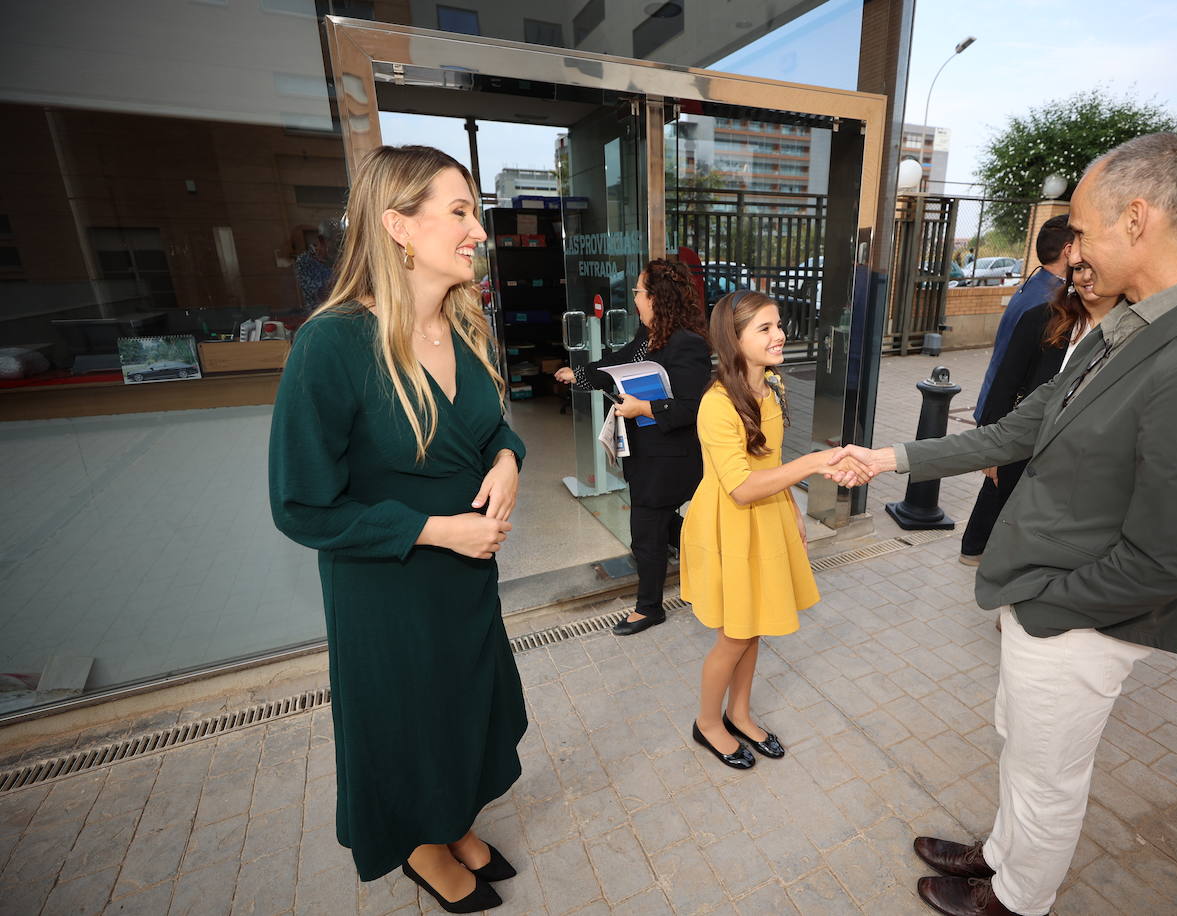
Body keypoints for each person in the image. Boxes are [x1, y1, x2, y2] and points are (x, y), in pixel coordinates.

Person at [827, 133, 1177, 916]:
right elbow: (1018, 429)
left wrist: (1044, 611)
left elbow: (1166, 560)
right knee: (1023, 755)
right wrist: (889, 455)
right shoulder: (1133, 323)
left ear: (1137, 219)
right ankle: (1000, 856)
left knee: (1050, 777)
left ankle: (1019, 899)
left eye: (1082, 227)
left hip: (1078, 614)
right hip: (1043, 596)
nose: (1072, 252)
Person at [269, 145, 527, 913]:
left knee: (464, 708)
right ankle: (420, 845)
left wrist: (510, 459)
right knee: (410, 721)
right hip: (389, 591)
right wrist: (440, 531)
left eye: (474, 212)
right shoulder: (332, 346)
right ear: (398, 227)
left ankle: (453, 823)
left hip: (464, 583)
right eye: (459, 211)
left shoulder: (464, 328)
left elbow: (492, 431)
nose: (477, 230)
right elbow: (302, 506)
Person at [680, 289, 870, 769]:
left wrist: (792, 513)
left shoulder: (774, 387)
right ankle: (707, 723)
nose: (780, 334)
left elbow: (771, 463)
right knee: (735, 635)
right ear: (733, 337)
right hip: (729, 525)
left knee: (755, 626)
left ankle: (739, 713)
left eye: (779, 324)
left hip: (768, 517)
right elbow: (740, 487)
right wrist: (811, 465)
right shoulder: (716, 403)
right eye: (765, 328)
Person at [554, 259, 713, 635]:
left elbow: (692, 407)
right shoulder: (648, 336)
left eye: (640, 292)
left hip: (669, 458)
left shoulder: (687, 344)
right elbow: (616, 365)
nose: (636, 299)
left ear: (659, 298)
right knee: (661, 527)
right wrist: (577, 374)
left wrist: (644, 407)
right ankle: (712, 565)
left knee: (645, 532)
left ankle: (649, 608)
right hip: (647, 454)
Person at [974, 262, 1121, 621]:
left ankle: (1052, 603)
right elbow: (1004, 385)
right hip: (1026, 449)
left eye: (1095, 267)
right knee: (1019, 530)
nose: (1087, 276)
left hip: (1088, 458)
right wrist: (991, 454)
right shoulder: (1042, 318)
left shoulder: (1136, 330)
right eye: (1080, 268)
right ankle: (1015, 603)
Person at [961, 214, 1074, 565]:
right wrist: (995, 432)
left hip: (1004, 408)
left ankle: (976, 548)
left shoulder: (1036, 283)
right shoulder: (1048, 302)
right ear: (1070, 251)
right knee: (1004, 488)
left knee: (999, 488)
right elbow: (1015, 372)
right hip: (1011, 412)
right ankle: (982, 552)